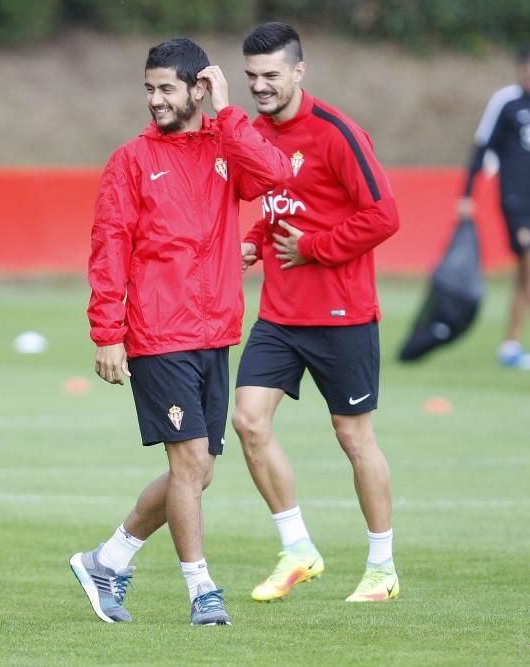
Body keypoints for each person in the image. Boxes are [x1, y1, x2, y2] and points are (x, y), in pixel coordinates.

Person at [70, 37, 291, 626]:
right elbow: (108, 247)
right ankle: (202, 590)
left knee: (196, 471)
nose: (155, 100)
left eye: (166, 88)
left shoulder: (226, 142)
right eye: (149, 89)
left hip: (215, 330)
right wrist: (107, 331)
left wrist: (228, 112)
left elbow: (273, 176)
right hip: (156, 333)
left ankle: (107, 559)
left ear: (198, 88)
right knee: (190, 460)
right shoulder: (131, 160)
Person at [233, 23, 401, 603]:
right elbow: (280, 206)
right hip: (280, 314)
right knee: (249, 421)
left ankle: (382, 569)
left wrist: (311, 248)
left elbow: (384, 216)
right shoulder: (256, 132)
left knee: (353, 437)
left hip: (342, 312)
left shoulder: (336, 133)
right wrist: (257, 238)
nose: (260, 86)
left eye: (271, 75)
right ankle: (298, 550)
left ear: (299, 71)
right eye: (251, 76)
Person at [458, 46, 530, 369]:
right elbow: (482, 145)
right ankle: (511, 344)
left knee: (525, 276)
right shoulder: (507, 102)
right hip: (517, 201)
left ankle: (512, 345)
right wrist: (467, 193)